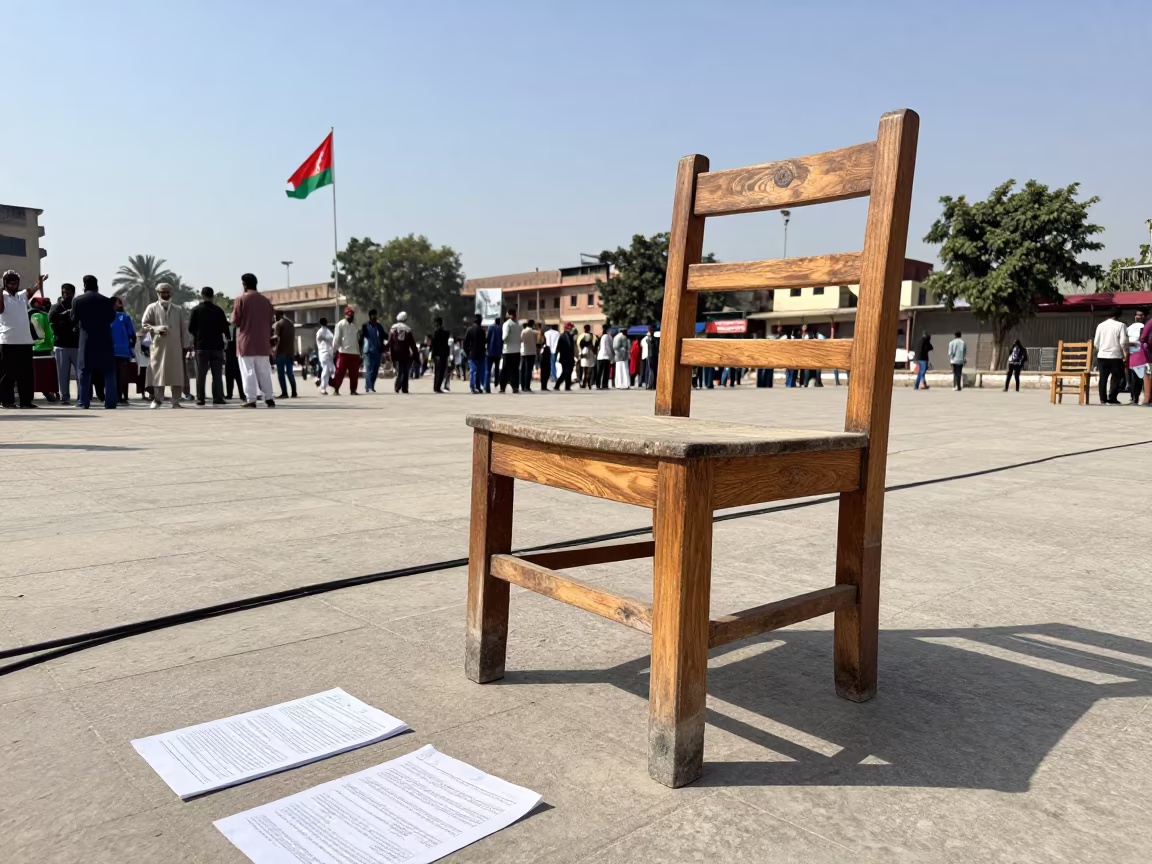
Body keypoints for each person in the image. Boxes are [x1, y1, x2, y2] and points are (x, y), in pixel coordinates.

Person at [70, 274, 117, 409]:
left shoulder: (78, 301)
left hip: (87, 339)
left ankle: (83, 402)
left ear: (84, 285)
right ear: (97, 285)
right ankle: (111, 402)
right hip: (105, 339)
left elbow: (73, 318)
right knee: (109, 371)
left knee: (84, 371)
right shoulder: (107, 301)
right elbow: (112, 317)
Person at [0, 270, 46, 408]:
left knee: (25, 374)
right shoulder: (2, 296)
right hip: (8, 341)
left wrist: (40, 283)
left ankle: (26, 402)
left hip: (25, 341)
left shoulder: (21, 296)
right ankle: (7, 401)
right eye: (11, 283)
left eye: (16, 282)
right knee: (7, 374)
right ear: (6, 284)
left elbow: (31, 290)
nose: (14, 285)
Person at [141, 282, 189, 408]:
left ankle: (175, 401)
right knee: (158, 373)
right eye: (163, 292)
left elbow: (183, 329)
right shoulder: (151, 308)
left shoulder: (178, 310)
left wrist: (186, 345)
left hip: (175, 347)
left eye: (167, 292)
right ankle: (157, 400)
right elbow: (145, 324)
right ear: (158, 293)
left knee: (176, 374)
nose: (165, 294)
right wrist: (157, 329)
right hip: (158, 347)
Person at [232, 272, 276, 407]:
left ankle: (251, 398)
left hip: (246, 342)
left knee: (248, 371)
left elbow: (235, 320)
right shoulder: (265, 301)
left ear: (244, 285)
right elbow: (271, 321)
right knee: (264, 371)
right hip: (263, 342)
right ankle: (269, 397)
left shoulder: (240, 300)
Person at [188, 286, 229, 405]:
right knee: (217, 374)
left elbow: (190, 328)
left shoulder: (196, 310)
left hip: (201, 346)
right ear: (213, 296)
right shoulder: (218, 310)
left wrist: (198, 335)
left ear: (202, 295)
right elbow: (225, 328)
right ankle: (218, 397)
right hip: (217, 346)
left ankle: (200, 398)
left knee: (201, 374)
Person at [49, 282, 79, 404]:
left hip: (76, 345)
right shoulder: (55, 307)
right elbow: (51, 320)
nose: (65, 294)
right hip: (61, 345)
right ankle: (64, 397)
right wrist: (64, 317)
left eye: (68, 292)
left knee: (80, 374)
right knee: (62, 374)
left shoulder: (77, 306)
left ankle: (81, 396)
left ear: (73, 293)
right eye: (63, 292)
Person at [1093, 308, 1129, 405]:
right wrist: (1125, 353)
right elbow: (1123, 342)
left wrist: (1101, 349)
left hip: (1102, 355)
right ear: (1118, 316)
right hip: (1115, 356)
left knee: (1103, 377)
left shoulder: (1100, 325)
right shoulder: (1121, 325)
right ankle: (1112, 397)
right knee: (1117, 377)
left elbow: (1096, 342)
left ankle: (1102, 399)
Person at [110, 296, 137, 404]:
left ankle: (123, 396)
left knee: (122, 375)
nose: (118, 305)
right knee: (116, 375)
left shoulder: (125, 317)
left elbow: (132, 333)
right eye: (117, 303)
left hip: (123, 351)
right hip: (111, 351)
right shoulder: (106, 316)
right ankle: (116, 395)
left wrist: (131, 346)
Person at [330, 306, 362, 395]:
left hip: (354, 353)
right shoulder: (340, 324)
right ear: (345, 315)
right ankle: (336, 389)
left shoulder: (354, 326)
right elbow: (336, 338)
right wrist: (334, 350)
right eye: (349, 314)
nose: (351, 316)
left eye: (352, 315)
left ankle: (353, 390)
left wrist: (359, 353)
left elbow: (356, 341)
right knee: (340, 372)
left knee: (354, 373)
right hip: (343, 352)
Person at [387, 311, 418, 393]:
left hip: (396, 353)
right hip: (405, 354)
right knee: (405, 371)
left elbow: (389, 341)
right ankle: (404, 388)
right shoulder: (408, 329)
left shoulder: (393, 328)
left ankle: (397, 386)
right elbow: (412, 344)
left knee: (399, 371)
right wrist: (415, 354)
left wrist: (387, 351)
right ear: (405, 319)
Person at [360, 309, 386, 394]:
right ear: (370, 317)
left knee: (375, 371)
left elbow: (385, 335)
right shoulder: (365, 326)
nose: (375, 317)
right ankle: (369, 386)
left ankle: (370, 386)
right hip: (368, 352)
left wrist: (392, 338)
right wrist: (360, 350)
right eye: (373, 315)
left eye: (376, 315)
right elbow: (360, 337)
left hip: (377, 351)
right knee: (369, 370)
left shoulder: (379, 326)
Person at [273, 310, 297, 399]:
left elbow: (277, 338)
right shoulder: (291, 324)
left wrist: (275, 350)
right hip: (290, 351)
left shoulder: (279, 324)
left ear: (277, 315)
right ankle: (294, 392)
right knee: (290, 372)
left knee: (281, 373)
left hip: (281, 352)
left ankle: (284, 392)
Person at [499, 308, 522, 393]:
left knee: (505, 370)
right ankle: (515, 386)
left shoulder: (507, 324)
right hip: (517, 350)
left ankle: (502, 387)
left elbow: (504, 337)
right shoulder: (519, 325)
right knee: (515, 370)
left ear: (508, 314)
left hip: (508, 350)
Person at [1125, 310, 1146, 405]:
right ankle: (1134, 397)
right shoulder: (1130, 328)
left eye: (1140, 315)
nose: (1138, 317)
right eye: (1137, 315)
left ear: (1144, 316)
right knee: (1133, 377)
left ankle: (1135, 397)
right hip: (1131, 354)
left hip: (1139, 354)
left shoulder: (1144, 327)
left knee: (1137, 377)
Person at [463, 314, 487, 394]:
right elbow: (485, 343)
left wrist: (467, 352)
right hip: (481, 354)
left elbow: (465, 343)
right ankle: (480, 387)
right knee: (480, 372)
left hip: (472, 354)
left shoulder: (469, 330)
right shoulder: (482, 331)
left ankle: (472, 388)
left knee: (473, 371)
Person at [315, 317, 335, 394]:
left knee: (332, 370)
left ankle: (321, 381)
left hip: (330, 353)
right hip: (323, 353)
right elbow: (320, 340)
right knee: (326, 369)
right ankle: (323, 388)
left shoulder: (328, 331)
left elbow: (332, 341)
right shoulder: (320, 332)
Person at [555, 321, 575, 391]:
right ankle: (557, 385)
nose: (571, 329)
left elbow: (572, 348)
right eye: (570, 327)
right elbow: (559, 348)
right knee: (565, 372)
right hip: (564, 358)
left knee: (569, 372)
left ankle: (567, 386)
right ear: (567, 328)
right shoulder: (562, 337)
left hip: (570, 358)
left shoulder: (571, 336)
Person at [520, 318, 538, 392]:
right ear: (533, 324)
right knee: (529, 370)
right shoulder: (534, 332)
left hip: (524, 352)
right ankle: (527, 386)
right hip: (531, 352)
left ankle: (522, 385)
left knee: (523, 370)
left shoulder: (523, 331)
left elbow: (521, 340)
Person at [485, 321, 502, 394]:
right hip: (498, 352)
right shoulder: (501, 329)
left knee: (488, 370)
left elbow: (487, 339)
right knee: (497, 369)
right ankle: (496, 383)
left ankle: (487, 387)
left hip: (490, 352)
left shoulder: (490, 328)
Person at [541, 324, 558, 391]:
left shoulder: (546, 333)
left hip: (546, 351)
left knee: (547, 366)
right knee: (552, 363)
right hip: (553, 350)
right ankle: (554, 376)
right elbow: (557, 343)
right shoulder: (557, 333)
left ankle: (551, 376)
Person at [596, 324, 613, 389]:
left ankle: (598, 384)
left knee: (599, 372)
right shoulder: (608, 337)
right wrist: (612, 356)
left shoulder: (601, 336)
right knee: (606, 372)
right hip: (606, 356)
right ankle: (604, 384)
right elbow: (610, 347)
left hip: (600, 356)